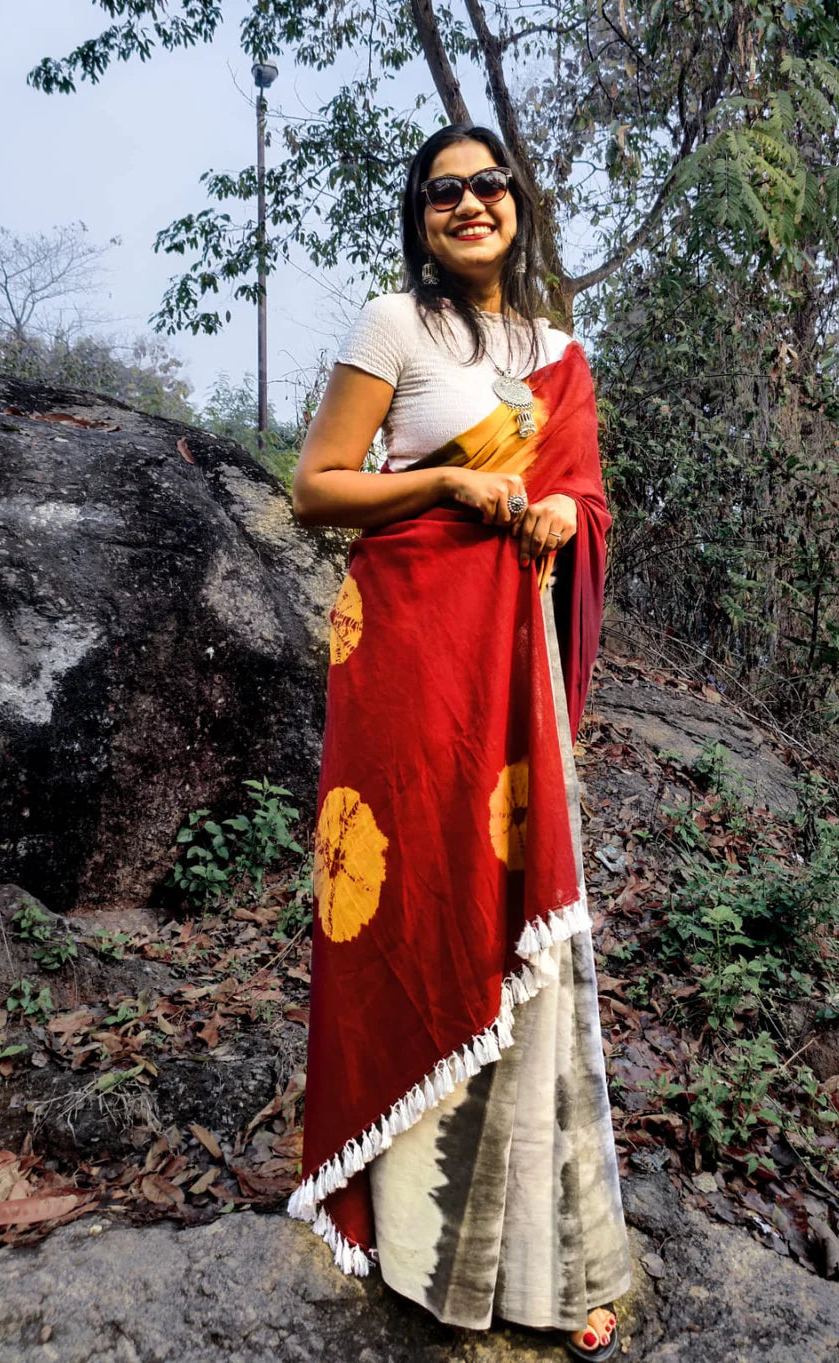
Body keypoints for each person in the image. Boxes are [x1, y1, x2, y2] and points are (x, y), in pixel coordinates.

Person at [286, 122, 632, 1361]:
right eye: (444, 191)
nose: (470, 203)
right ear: (419, 216)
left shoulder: (558, 356)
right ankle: (408, 1231)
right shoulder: (394, 326)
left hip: (507, 671)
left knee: (514, 929)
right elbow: (317, 487)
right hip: (406, 663)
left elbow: (586, 504)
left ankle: (545, 1251)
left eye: (488, 184)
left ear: (517, 206)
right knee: (414, 903)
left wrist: (552, 506)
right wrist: (441, 484)